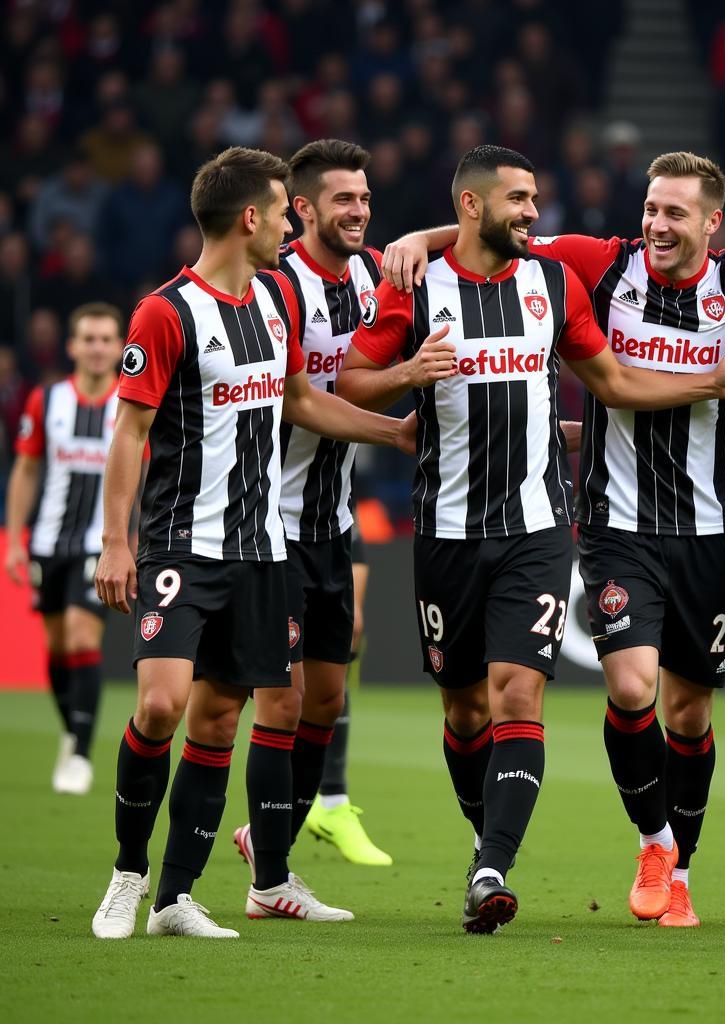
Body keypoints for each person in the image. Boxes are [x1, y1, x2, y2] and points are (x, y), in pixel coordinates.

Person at [382, 151, 725, 926]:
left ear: (712, 224)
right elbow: (496, 232)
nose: (657, 225)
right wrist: (421, 233)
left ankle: (682, 868)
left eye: (675, 213)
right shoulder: (598, 264)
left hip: (709, 529)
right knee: (631, 686)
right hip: (615, 524)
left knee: (689, 715)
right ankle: (654, 844)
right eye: (651, 209)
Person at [89, 146, 415, 940]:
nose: (287, 225)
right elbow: (129, 430)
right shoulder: (165, 313)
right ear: (251, 218)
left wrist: (396, 432)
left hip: (263, 551)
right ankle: (127, 875)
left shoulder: (274, 298)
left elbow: (302, 398)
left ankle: (174, 898)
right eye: (279, 211)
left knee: (219, 724)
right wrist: (114, 542)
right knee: (162, 705)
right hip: (178, 545)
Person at [229, 138, 392, 880]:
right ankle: (267, 872)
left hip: (334, 520)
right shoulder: (279, 286)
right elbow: (299, 404)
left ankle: (271, 849)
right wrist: (399, 420)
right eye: (343, 200)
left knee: (326, 701)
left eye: (364, 197)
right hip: (271, 523)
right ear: (302, 209)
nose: (358, 211)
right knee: (278, 706)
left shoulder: (377, 275)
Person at [4, 302, 125, 794]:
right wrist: (15, 539)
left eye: (106, 340)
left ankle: (78, 750)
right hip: (48, 542)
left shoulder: (132, 403)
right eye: (88, 339)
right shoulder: (46, 400)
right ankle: (70, 732)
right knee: (55, 646)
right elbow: (27, 469)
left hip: (101, 542)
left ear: (120, 347)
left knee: (80, 636)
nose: (97, 349)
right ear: (72, 346)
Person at [304, 490, 393, 865]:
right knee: (240, 701)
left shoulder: (340, 457)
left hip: (324, 547)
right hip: (249, 546)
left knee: (327, 685)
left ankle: (332, 803)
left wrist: (354, 604)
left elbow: (351, 516)